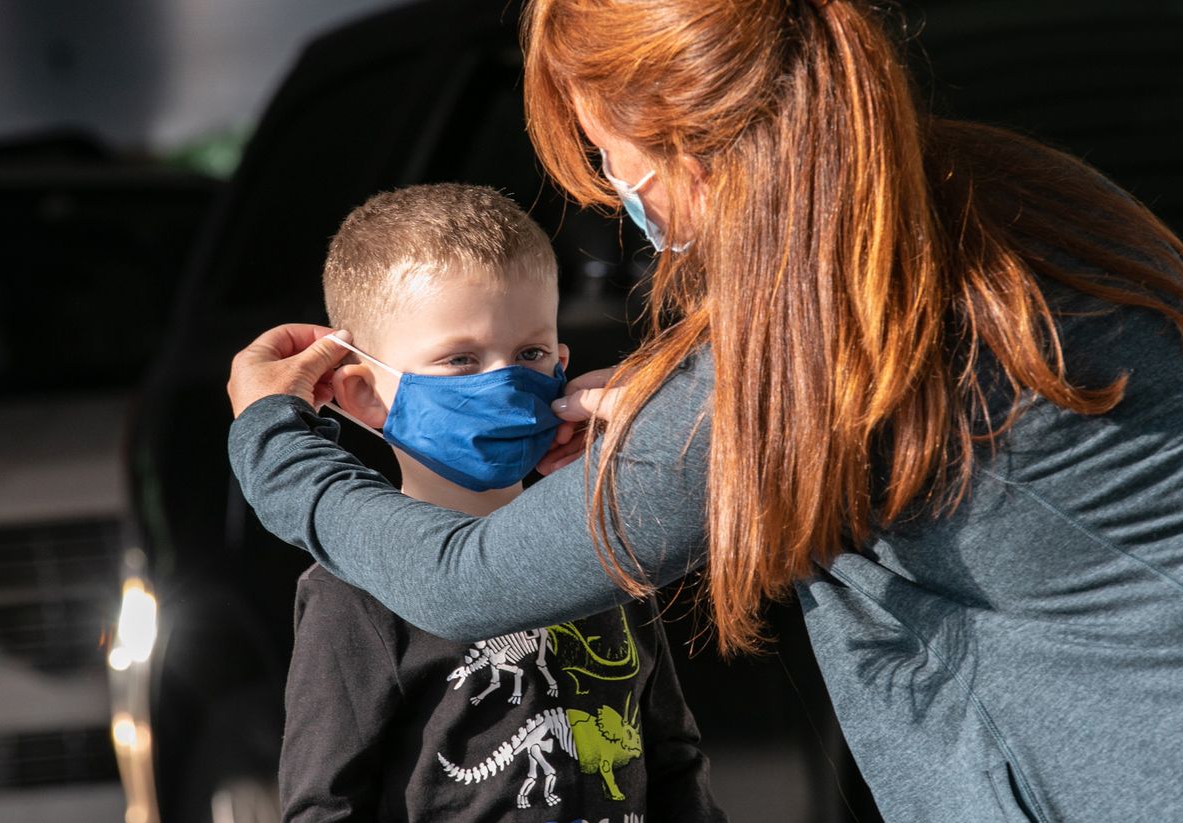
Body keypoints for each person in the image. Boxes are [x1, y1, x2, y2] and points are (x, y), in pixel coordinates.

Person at [227, 1, 1183, 821]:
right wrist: (673, 406)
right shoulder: (997, 199)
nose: (622, 200)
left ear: (685, 146)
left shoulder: (823, 339)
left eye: (608, 158)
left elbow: (462, 581)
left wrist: (273, 437)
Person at [275, 183, 726, 823]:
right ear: (363, 396)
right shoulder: (353, 593)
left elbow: (672, 756)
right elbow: (324, 804)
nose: (505, 382)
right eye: (460, 359)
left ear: (561, 364)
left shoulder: (597, 542)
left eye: (530, 354)